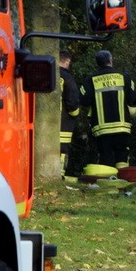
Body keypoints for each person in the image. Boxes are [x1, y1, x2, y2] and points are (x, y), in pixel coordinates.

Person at [79, 50, 136, 169]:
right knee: (122, 156)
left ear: (98, 63)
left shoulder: (90, 80)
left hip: (101, 129)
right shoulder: (124, 77)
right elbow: (134, 99)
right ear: (111, 61)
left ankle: (105, 183)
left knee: (104, 157)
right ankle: (122, 183)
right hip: (122, 127)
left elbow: (83, 101)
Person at [59, 49, 81, 177]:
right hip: (64, 124)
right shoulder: (68, 78)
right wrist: (75, 115)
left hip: (44, 124)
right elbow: (72, 103)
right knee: (62, 151)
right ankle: (59, 176)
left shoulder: (46, 73)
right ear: (67, 62)